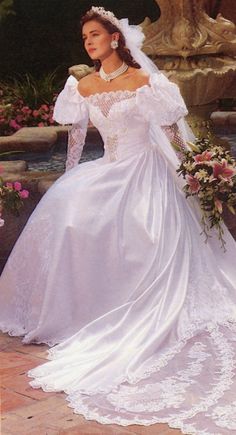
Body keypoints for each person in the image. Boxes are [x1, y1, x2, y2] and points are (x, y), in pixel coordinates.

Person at [1, 6, 236, 433]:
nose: (89, 42)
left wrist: (195, 169)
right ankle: (76, 310)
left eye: (95, 35)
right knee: (69, 210)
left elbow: (168, 134)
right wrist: (68, 183)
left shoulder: (147, 81)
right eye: (84, 38)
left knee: (141, 227)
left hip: (144, 170)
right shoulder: (83, 85)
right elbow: (75, 140)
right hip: (106, 167)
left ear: (114, 39)